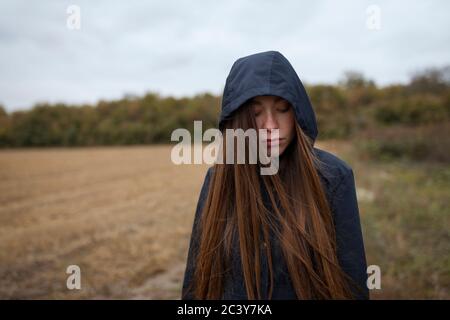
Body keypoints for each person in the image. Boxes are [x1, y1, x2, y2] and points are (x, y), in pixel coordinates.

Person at [181, 51, 369, 300]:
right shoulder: (218, 178)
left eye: (282, 109)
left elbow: (352, 280)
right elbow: (196, 282)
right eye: (256, 114)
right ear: (239, 121)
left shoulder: (333, 176)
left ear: (298, 112)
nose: (270, 126)